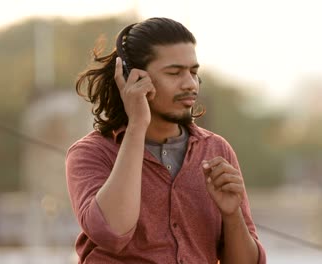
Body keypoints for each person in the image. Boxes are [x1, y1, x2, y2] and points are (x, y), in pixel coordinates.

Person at [66, 17, 266, 264]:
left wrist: (231, 214)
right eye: (174, 73)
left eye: (193, 72)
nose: (190, 84)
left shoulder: (216, 150)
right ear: (133, 77)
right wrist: (137, 124)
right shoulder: (91, 153)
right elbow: (112, 233)